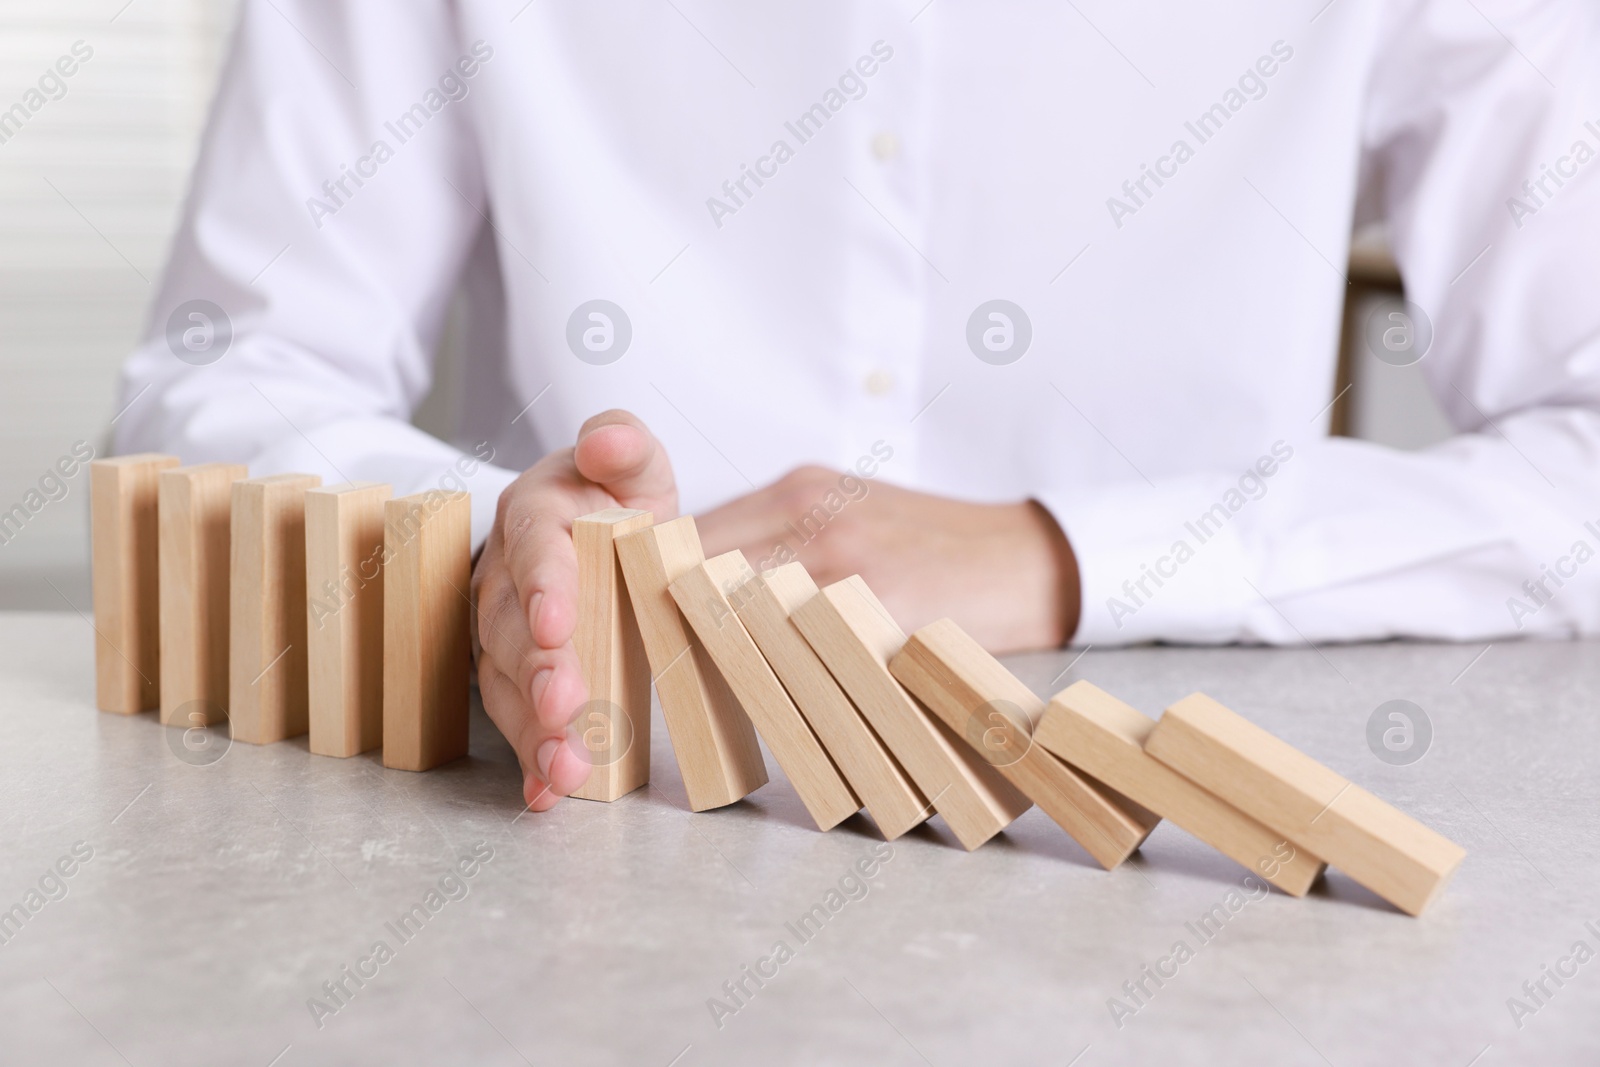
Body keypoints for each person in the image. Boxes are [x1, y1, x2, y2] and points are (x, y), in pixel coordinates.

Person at [116, 1, 1600, 811]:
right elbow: (216, 378)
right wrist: (504, 560)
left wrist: (1061, 552)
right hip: (582, 816)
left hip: (1183, 854)